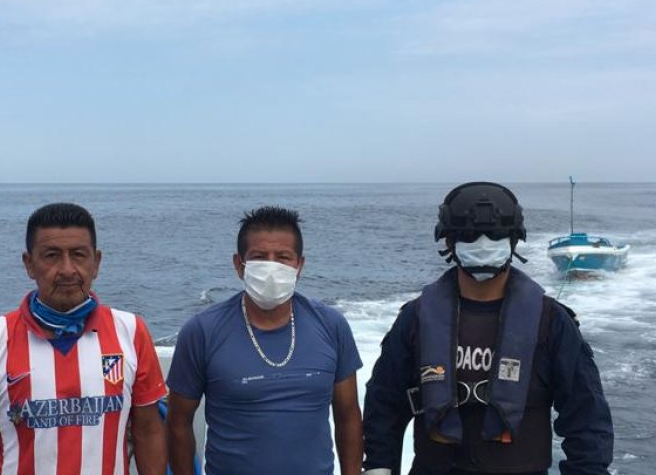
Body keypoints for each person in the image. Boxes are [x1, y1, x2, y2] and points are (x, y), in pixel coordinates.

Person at [362, 182, 614, 475]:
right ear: (449, 243)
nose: (482, 243)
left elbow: (587, 416)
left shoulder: (552, 323)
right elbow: (384, 404)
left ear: (514, 241)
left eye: (495, 235)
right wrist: (379, 467)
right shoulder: (415, 319)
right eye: (469, 235)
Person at [0, 202, 167, 475]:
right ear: (29, 264)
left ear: (96, 262)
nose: (67, 269)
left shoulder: (131, 331)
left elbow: (149, 431)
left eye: (78, 255)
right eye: (52, 256)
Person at [167, 206, 363, 475]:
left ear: (299, 266)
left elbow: (348, 416)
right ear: (239, 265)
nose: (272, 268)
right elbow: (178, 422)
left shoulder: (331, 326)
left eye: (283, 258)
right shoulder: (202, 332)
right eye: (259, 257)